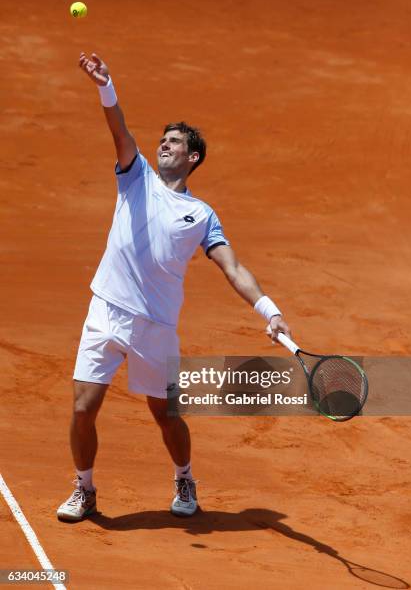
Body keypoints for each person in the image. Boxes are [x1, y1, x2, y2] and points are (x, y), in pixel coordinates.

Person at [57, 52, 291, 522]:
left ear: (193, 157)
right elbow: (119, 128)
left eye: (175, 142)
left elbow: (233, 268)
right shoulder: (135, 174)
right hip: (106, 309)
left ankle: (184, 476)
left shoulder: (202, 215)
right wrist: (106, 87)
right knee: (83, 407)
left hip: (157, 327)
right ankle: (85, 488)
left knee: (165, 415)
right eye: (162, 140)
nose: (164, 145)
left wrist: (269, 309)